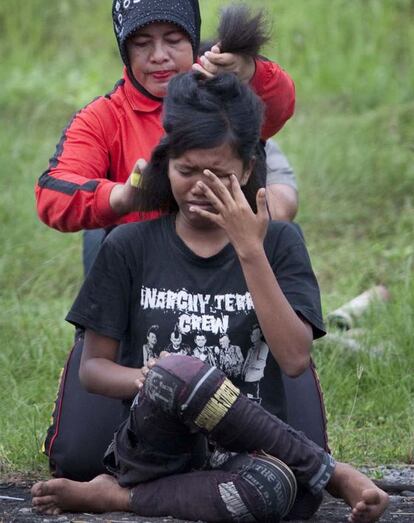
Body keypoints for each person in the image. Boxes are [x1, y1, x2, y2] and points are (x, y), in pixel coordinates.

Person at [32, 72, 388, 522]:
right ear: (165, 163)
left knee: (278, 491)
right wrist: (160, 382)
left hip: (245, 454)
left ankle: (118, 498)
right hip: (154, 451)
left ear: (247, 169)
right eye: (186, 171)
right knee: (178, 373)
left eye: (219, 175)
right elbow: (94, 369)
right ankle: (329, 472)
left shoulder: (278, 244)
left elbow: (295, 357)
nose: (200, 187)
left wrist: (249, 249)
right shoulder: (128, 246)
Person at [38, 0, 323, 482]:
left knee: (295, 464)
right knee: (81, 460)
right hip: (142, 276)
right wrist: (123, 197)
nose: (159, 57)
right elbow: (52, 193)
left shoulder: (225, 90)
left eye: (173, 40)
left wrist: (248, 67)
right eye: (142, 44)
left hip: (234, 274)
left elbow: (278, 101)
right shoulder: (105, 118)